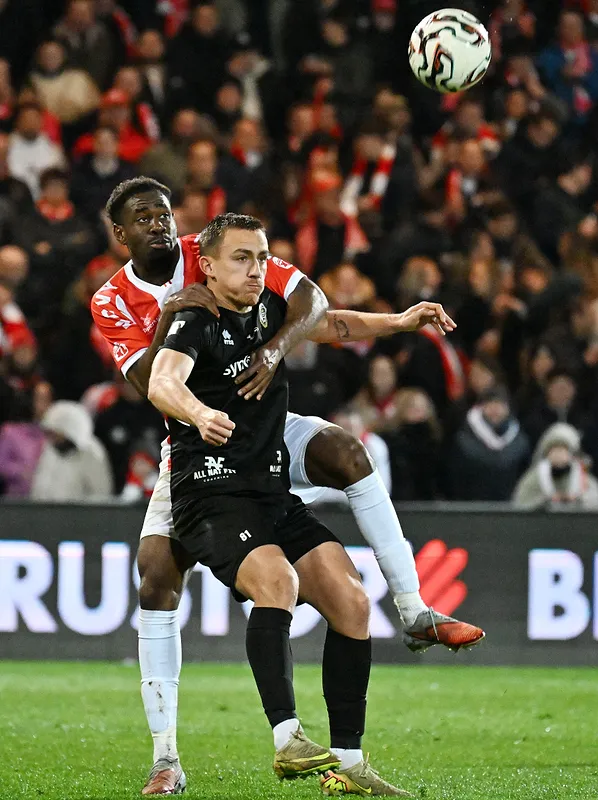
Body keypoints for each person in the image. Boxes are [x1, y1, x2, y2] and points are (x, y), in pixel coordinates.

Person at [91, 178, 484, 795]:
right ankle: (167, 757)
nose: (160, 226)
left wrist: (393, 324)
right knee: (157, 573)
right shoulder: (119, 301)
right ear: (121, 235)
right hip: (203, 446)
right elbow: (156, 382)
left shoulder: (222, 251)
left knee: (347, 459)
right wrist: (184, 350)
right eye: (143, 219)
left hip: (266, 436)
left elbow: (321, 314)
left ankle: (409, 612)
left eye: (165, 213)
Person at [147, 212, 409, 796]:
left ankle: (347, 760)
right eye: (241, 258)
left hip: (268, 491)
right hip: (209, 493)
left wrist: (401, 321)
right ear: (207, 266)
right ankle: (288, 738)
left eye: (262, 257)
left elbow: (333, 322)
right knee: (278, 584)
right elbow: (162, 381)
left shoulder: (269, 311)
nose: (256, 269)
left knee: (353, 602)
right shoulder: (194, 318)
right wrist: (199, 413)